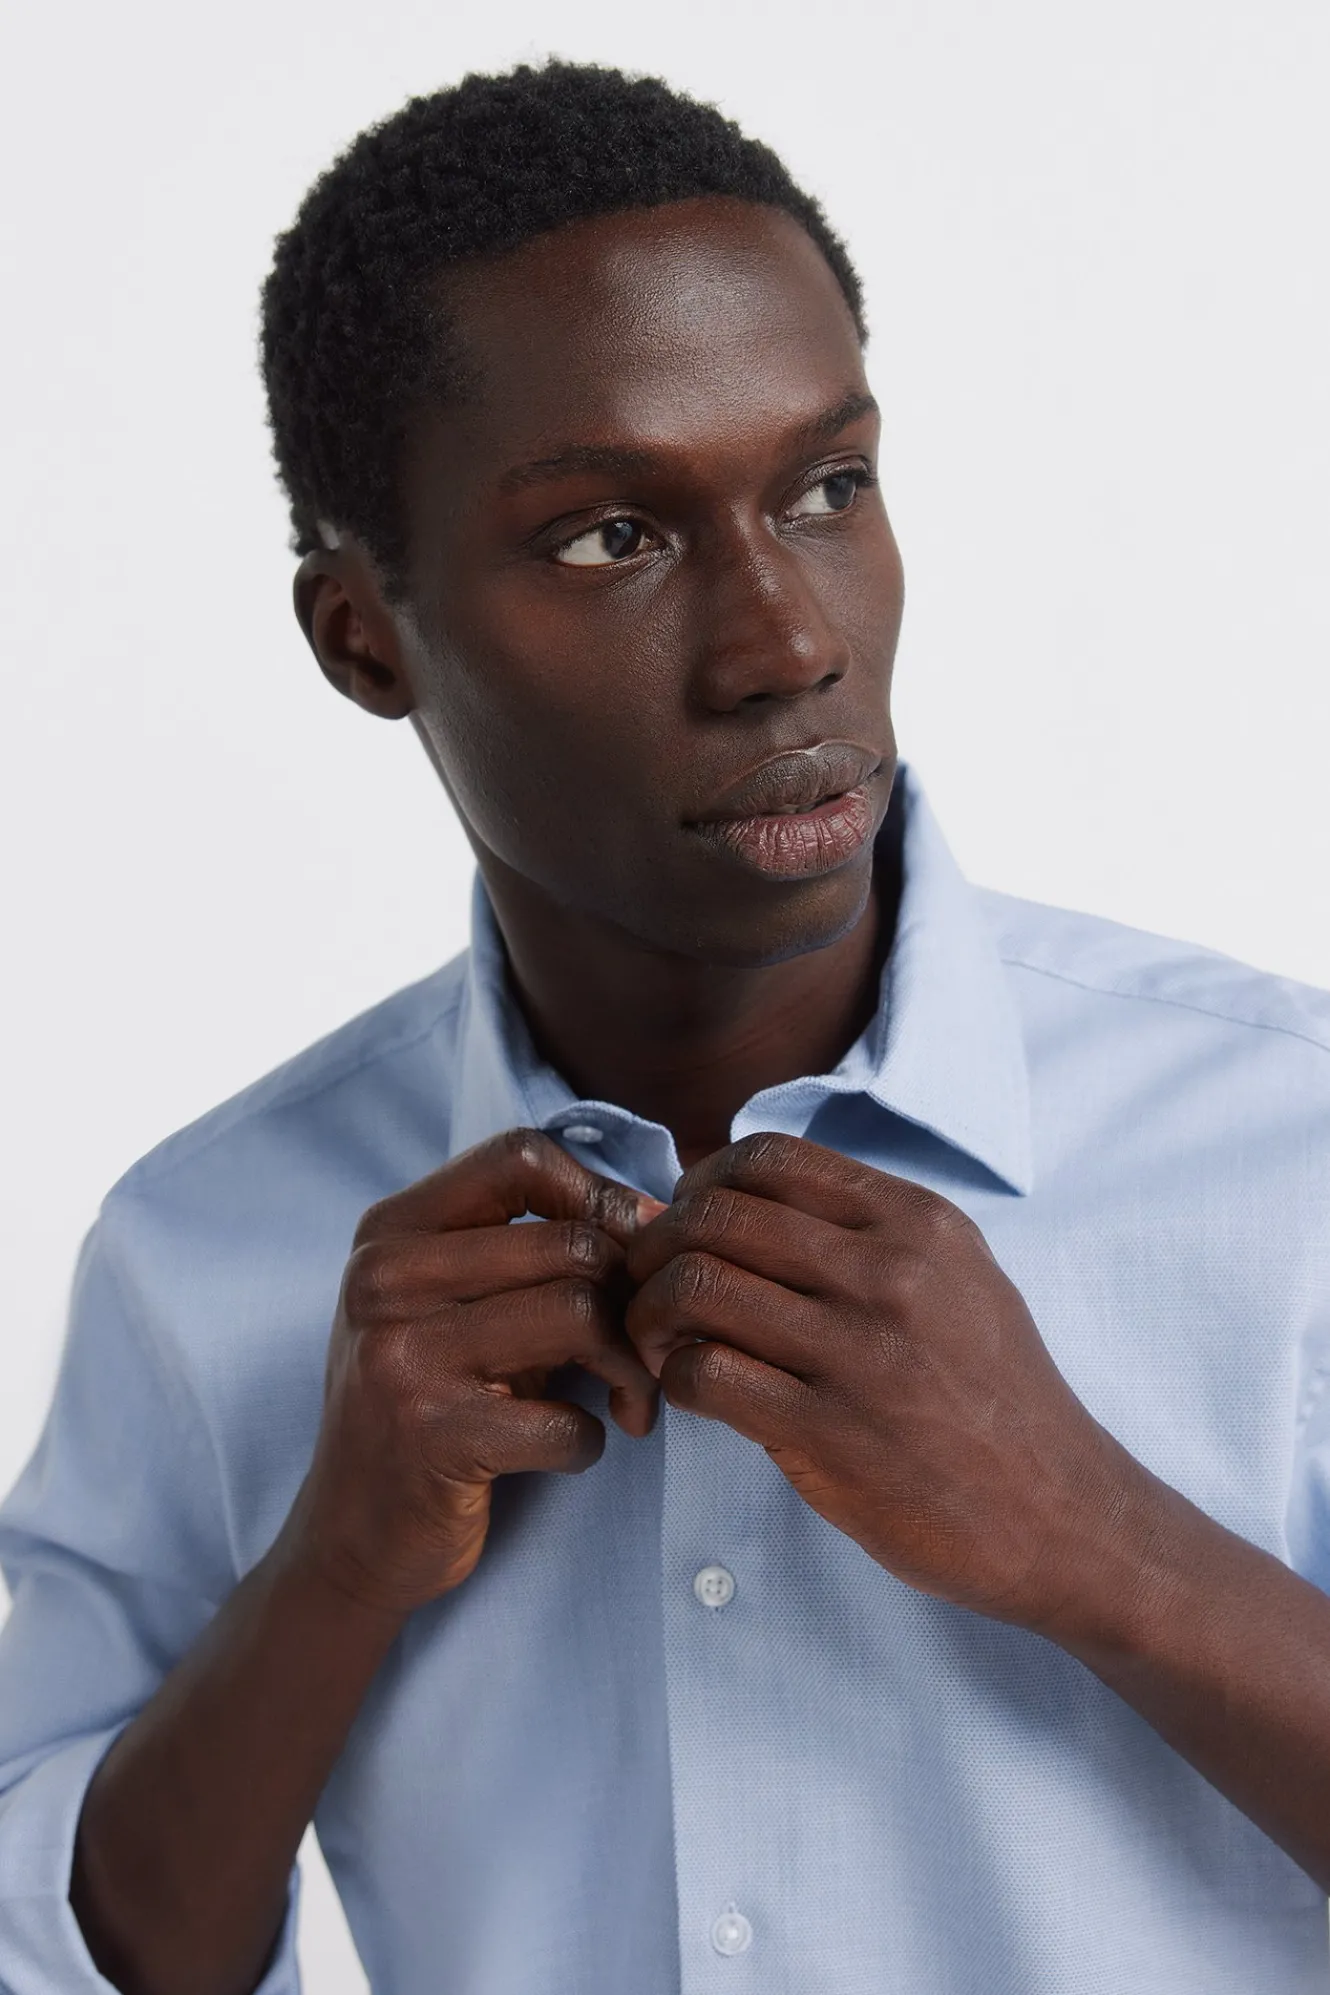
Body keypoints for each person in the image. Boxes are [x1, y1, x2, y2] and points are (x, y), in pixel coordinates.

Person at [1, 57, 1329, 1995]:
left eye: (825, 489)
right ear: (363, 634)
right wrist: (330, 1569)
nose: (786, 643)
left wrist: (1096, 1538)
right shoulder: (204, 1254)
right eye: (610, 536)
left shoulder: (1289, 1153)